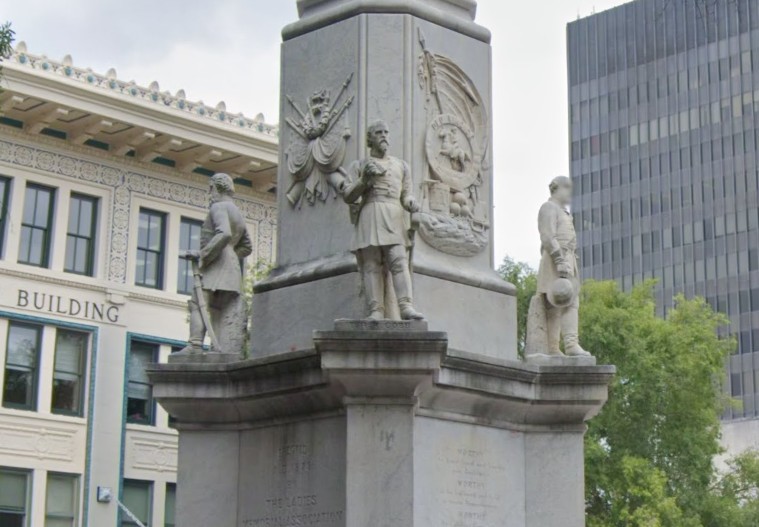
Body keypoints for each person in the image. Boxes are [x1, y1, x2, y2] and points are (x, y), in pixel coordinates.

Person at [343, 120, 424, 320]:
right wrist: (364, 180)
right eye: (378, 133)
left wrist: (411, 202)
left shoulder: (401, 166)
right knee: (371, 264)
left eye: (386, 132)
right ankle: (376, 310)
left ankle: (406, 306)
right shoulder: (359, 166)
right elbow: (348, 196)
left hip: (394, 214)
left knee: (398, 260)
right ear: (370, 139)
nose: (384, 136)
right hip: (370, 213)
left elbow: (406, 194)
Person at [180, 173, 252, 353]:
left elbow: (224, 233)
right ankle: (220, 348)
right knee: (219, 308)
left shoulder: (218, 207)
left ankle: (195, 345)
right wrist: (231, 255)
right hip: (232, 267)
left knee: (198, 303)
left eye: (210, 188)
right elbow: (247, 246)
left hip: (217, 264)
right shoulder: (237, 212)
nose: (209, 193)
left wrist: (203, 254)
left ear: (217, 188)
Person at [535, 176, 589, 356]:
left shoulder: (564, 212)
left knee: (572, 302)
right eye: (567, 188)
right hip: (554, 260)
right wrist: (559, 259)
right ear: (556, 188)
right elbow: (547, 236)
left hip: (569, 259)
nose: (569, 193)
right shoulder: (548, 208)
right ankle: (552, 347)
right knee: (555, 301)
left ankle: (571, 344)